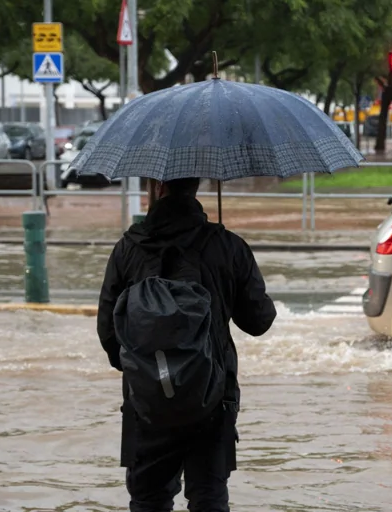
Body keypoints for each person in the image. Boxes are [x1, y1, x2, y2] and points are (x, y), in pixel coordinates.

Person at [97, 177, 276, 511]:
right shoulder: (227, 245)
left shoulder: (127, 248)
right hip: (213, 397)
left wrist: (152, 369)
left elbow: (108, 335)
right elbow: (259, 322)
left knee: (148, 500)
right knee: (208, 496)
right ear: (199, 183)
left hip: (145, 401)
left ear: (155, 184)